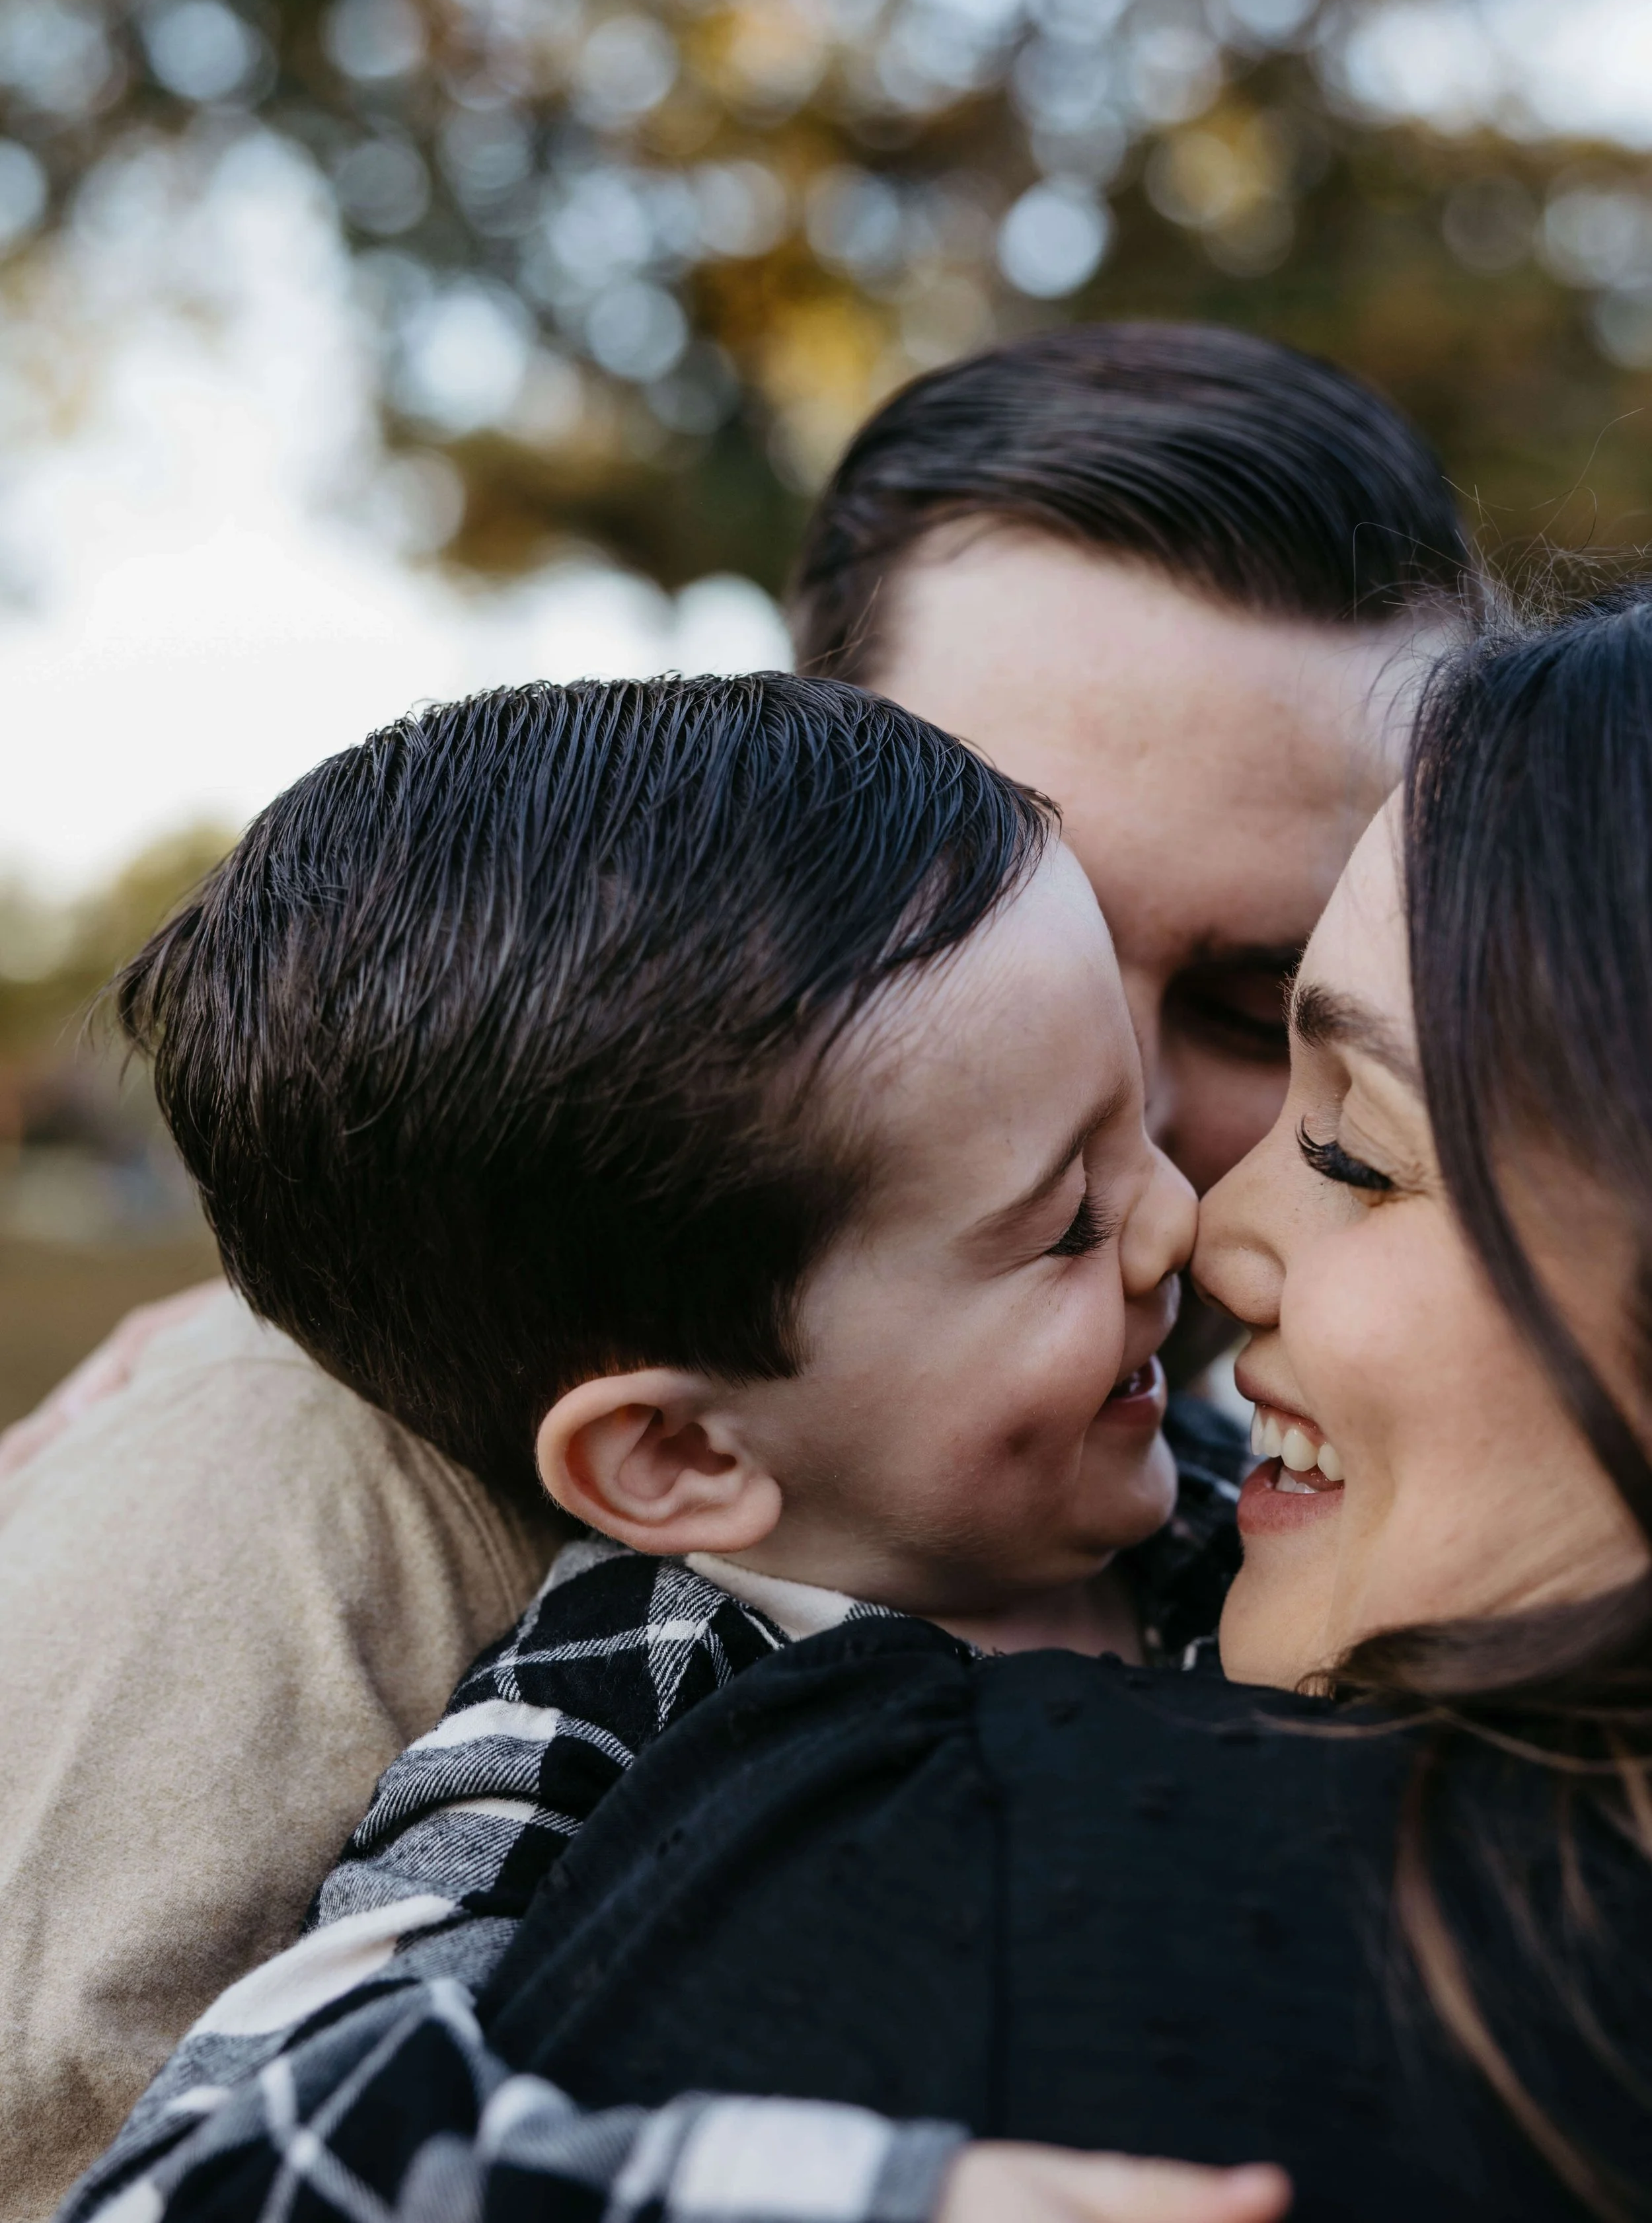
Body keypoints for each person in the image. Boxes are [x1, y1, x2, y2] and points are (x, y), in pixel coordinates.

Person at [0, 322, 1470, 2217]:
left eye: (1256, 1000)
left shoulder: (1270, 1452)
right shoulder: (350, 1526)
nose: (1171, 1188)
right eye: (1036, 944)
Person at [59, 668, 1281, 2223]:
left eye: (1141, 1130)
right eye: (1063, 1223)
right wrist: (887, 2199)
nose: (1183, 1220)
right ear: (677, 1457)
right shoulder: (618, 1700)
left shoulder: (1237, 1495)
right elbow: (210, 2182)